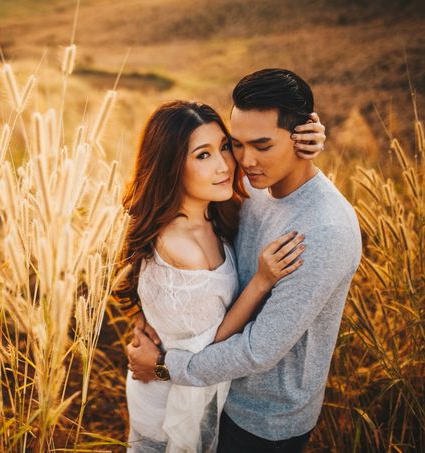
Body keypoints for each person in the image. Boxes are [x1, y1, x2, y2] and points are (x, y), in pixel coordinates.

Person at [126, 69, 362, 453]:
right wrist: (158, 314)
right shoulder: (252, 184)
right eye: (237, 144)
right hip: (212, 393)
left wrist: (166, 367)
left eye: (263, 146)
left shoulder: (324, 229)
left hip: (261, 420)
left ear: (301, 136)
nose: (244, 161)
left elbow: (258, 351)